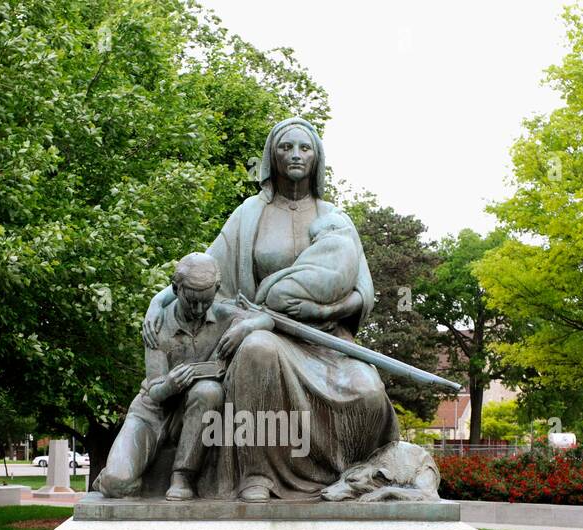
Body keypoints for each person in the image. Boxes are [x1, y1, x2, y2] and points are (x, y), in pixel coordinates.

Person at [143, 118, 398, 502]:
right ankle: (256, 474)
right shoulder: (249, 214)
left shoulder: (334, 219)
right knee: (256, 349)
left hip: (325, 340)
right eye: (285, 147)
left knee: (370, 393)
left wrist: (319, 309)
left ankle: (343, 475)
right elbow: (204, 269)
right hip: (262, 333)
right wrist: (159, 299)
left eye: (304, 148)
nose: (295, 155)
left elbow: (363, 294)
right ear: (271, 157)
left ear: (317, 159)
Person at [97, 252, 231, 500]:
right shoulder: (156, 324)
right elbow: (156, 391)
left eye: (206, 302)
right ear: (175, 289)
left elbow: (264, 317)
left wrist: (250, 326)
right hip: (152, 412)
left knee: (209, 391)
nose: (199, 309)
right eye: (192, 302)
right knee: (116, 483)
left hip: (192, 409)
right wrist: (170, 384)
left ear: (217, 290)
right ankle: (113, 475)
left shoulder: (225, 316)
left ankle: (182, 477)